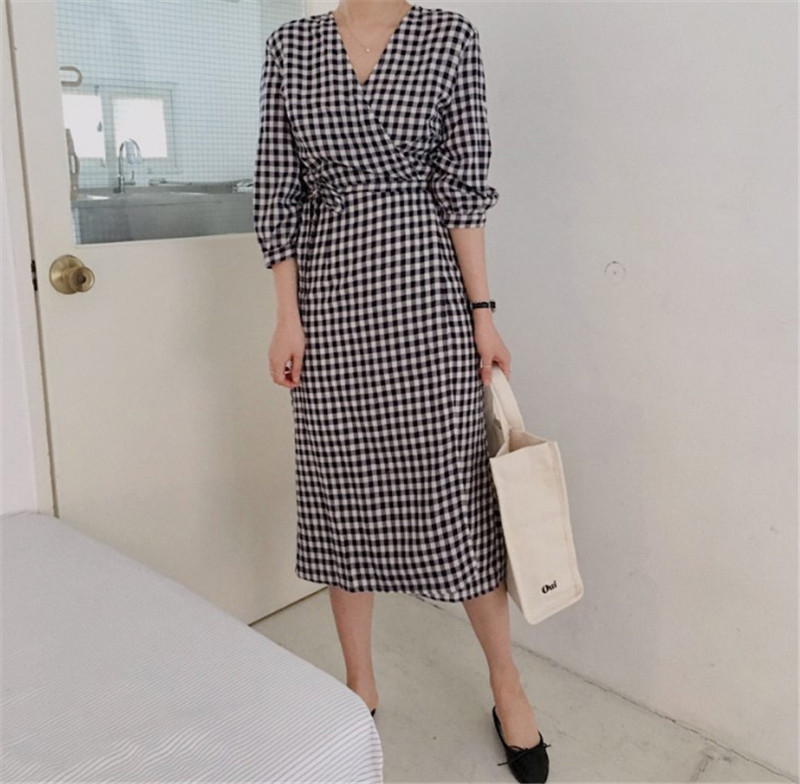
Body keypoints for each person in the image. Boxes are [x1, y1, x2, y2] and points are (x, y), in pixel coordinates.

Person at [253, 2, 549, 781]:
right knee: (342, 488)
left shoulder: (450, 37)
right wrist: (286, 317)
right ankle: (360, 683)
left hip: (427, 295)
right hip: (329, 302)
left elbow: (463, 187)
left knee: (457, 493)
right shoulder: (291, 46)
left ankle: (507, 682)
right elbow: (278, 188)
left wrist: (483, 314)